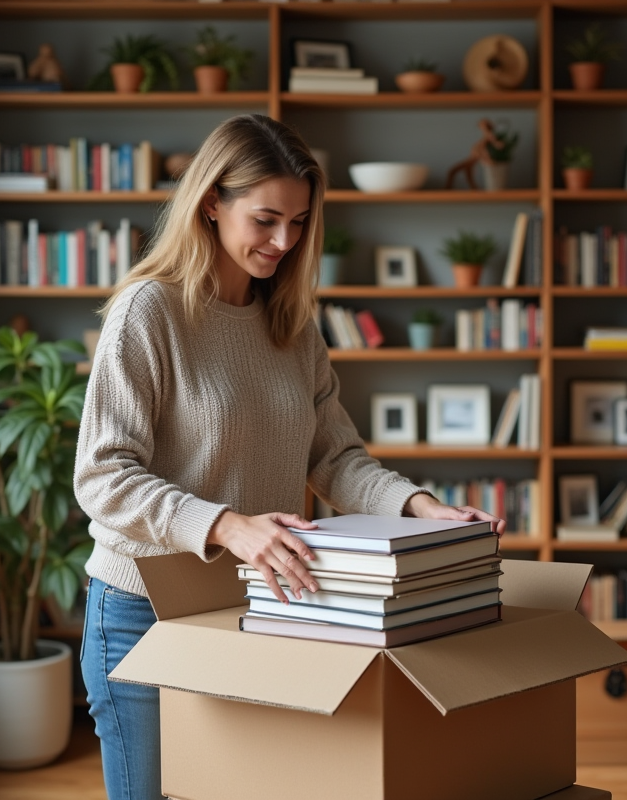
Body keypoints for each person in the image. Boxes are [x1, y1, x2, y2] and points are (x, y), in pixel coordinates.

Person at [73, 114, 505, 800]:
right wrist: (228, 525)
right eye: (266, 219)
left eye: (299, 222)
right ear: (212, 202)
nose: (283, 242)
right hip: (141, 611)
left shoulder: (292, 327)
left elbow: (335, 458)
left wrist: (422, 510)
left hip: (257, 609)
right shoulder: (148, 312)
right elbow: (102, 475)